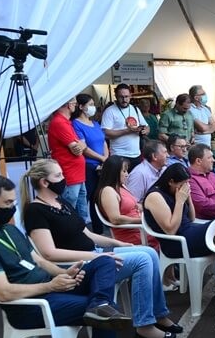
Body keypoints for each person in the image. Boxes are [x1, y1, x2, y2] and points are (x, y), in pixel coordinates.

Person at [0, 174, 139, 338]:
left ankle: (98, 305)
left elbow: (38, 260)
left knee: (104, 261)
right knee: (109, 312)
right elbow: (3, 292)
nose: (13, 208)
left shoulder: (9, 229)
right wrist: (51, 286)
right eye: (8, 203)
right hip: (30, 305)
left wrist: (64, 274)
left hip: (51, 288)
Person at [21, 160, 181, 338]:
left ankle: (158, 314)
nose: (63, 179)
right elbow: (49, 254)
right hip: (79, 267)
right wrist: (98, 257)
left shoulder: (61, 202)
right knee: (143, 259)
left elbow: (88, 234)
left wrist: (118, 243)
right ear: (44, 182)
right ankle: (144, 326)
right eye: (58, 176)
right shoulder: (35, 210)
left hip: (93, 254)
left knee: (149, 252)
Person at [143, 163, 212, 258]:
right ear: (171, 182)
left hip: (189, 231)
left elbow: (191, 218)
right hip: (175, 242)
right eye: (182, 184)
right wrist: (179, 202)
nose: (186, 187)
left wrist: (188, 197)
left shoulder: (176, 193)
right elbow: (170, 230)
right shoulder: (155, 196)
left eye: (188, 183)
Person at [48, 97, 89, 223]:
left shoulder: (66, 122)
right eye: (74, 103)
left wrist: (81, 145)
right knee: (70, 211)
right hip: (69, 174)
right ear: (68, 105)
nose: (76, 105)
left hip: (76, 175)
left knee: (81, 212)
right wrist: (81, 145)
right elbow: (77, 148)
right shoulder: (59, 122)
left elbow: (82, 145)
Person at [72, 93, 108, 234]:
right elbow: (84, 148)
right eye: (90, 105)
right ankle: (81, 230)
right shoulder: (75, 124)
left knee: (97, 197)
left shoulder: (95, 123)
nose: (93, 108)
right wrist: (101, 158)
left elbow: (103, 141)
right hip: (88, 165)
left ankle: (98, 229)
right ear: (81, 107)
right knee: (86, 197)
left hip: (101, 164)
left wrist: (106, 157)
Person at [101, 84, 149, 170]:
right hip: (119, 154)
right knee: (120, 182)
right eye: (121, 97)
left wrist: (145, 130)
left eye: (126, 96)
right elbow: (105, 133)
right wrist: (127, 131)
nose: (124, 100)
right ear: (116, 96)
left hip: (136, 154)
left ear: (131, 95)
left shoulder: (135, 109)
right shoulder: (109, 111)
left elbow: (146, 127)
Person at [187, 144, 215, 220]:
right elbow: (202, 204)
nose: (213, 160)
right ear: (198, 161)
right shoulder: (190, 180)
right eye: (209, 158)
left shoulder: (211, 175)